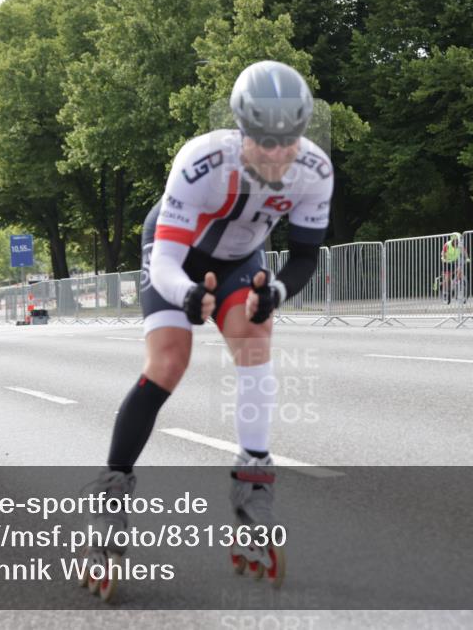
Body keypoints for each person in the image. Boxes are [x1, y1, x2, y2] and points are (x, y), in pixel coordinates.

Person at [82, 61, 332, 599]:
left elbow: (307, 256)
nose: (276, 154)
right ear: (241, 131)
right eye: (263, 142)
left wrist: (277, 292)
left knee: (255, 336)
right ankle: (110, 497)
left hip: (242, 259)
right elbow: (169, 264)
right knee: (170, 360)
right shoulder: (201, 162)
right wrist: (190, 295)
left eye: (288, 142)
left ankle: (253, 493)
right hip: (176, 254)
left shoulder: (316, 169)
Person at [439, 232, 468, 303]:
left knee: (460, 271)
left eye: (458, 241)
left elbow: (464, 252)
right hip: (447, 261)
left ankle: (456, 284)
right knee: (447, 277)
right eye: (456, 241)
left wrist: (467, 258)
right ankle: (445, 291)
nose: (457, 242)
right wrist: (444, 258)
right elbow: (443, 253)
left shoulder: (460, 245)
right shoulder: (447, 245)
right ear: (452, 240)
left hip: (455, 261)